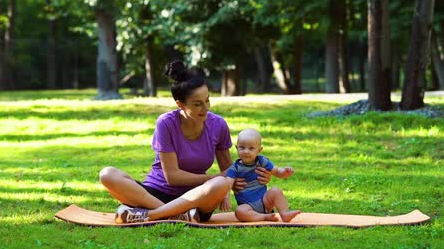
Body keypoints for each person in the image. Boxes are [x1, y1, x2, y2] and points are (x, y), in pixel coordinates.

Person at [99, 60, 272, 223]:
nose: (206, 108)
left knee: (219, 184)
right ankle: (175, 215)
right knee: (107, 174)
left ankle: (150, 215)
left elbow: (229, 171)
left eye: (207, 100)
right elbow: (172, 177)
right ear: (180, 104)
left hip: (198, 199)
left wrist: (256, 177)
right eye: (197, 104)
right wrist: (216, 177)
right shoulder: (166, 123)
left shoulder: (218, 124)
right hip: (156, 194)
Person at [225, 128, 301, 222]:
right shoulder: (235, 168)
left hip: (264, 200)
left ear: (259, 150)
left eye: (251, 148)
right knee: (239, 211)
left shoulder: (262, 161)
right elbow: (228, 184)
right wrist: (226, 197)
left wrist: (284, 172)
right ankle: (264, 217)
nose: (246, 151)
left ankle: (284, 213)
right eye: (242, 147)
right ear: (236, 148)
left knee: (275, 190)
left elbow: (276, 171)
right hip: (248, 206)